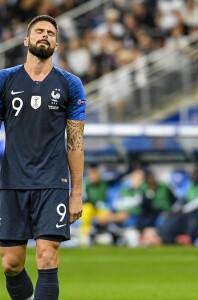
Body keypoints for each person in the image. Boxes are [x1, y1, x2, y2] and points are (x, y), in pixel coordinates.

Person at [0, 15, 86, 300]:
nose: (45, 35)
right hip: (11, 182)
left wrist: (76, 192)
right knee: (11, 263)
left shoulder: (70, 85)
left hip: (52, 182)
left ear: (56, 43)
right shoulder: (4, 80)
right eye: (39, 31)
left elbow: (75, 142)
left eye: (51, 32)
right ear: (26, 40)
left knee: (47, 257)